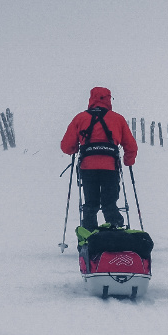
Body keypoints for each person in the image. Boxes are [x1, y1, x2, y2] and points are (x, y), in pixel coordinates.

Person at [60, 86, 138, 230]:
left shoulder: (80, 118)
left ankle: (89, 235)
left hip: (88, 168)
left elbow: (66, 146)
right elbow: (131, 146)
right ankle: (116, 231)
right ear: (109, 99)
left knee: (91, 203)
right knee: (109, 202)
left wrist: (75, 148)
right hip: (110, 167)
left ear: (91, 99)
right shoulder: (117, 119)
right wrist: (128, 160)